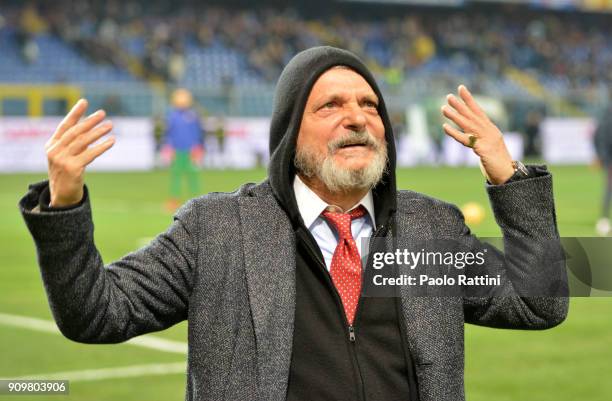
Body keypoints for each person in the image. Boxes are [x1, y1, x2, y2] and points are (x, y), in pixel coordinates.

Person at [19, 46, 568, 401]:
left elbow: (539, 301)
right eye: (330, 106)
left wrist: (508, 176)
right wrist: (65, 204)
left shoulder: (424, 229)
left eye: (370, 106)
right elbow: (94, 312)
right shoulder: (218, 230)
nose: (357, 116)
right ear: (289, 132)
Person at [161, 88, 205, 210]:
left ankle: (197, 201)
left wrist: (198, 147)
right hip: (177, 151)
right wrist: (168, 147)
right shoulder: (172, 116)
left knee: (193, 175)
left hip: (191, 151)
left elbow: (197, 133)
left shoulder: (193, 115)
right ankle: (174, 199)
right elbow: (169, 133)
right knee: (176, 175)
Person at [594, 101, 612, 236]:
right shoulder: (607, 117)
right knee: (609, 188)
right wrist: (602, 156)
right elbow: (600, 137)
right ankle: (604, 217)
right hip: (610, 158)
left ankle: (604, 218)